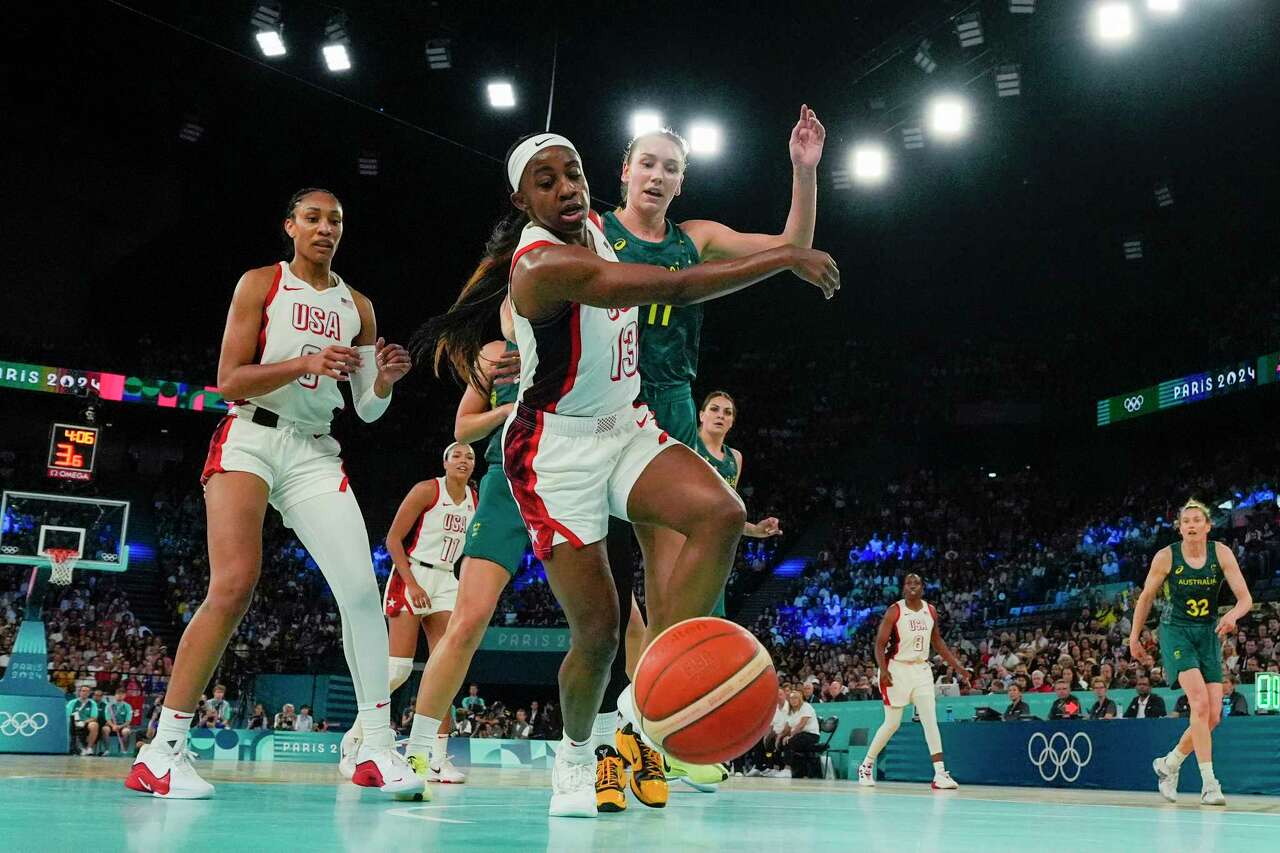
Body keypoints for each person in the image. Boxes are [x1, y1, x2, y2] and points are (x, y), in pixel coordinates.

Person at [418, 132, 837, 818]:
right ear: (524, 201)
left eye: (571, 173)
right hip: (556, 452)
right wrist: (785, 257)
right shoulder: (547, 258)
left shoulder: (621, 228)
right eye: (546, 182)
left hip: (631, 419)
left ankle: (647, 716)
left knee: (722, 514)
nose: (565, 188)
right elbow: (667, 287)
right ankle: (576, 755)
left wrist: (800, 181)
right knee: (602, 630)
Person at [125, 188, 418, 800]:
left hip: (314, 450)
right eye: (312, 218)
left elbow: (364, 410)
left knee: (363, 593)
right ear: (290, 225)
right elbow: (229, 378)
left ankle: (377, 745)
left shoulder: (358, 306)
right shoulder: (261, 283)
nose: (324, 228)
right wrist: (303, 362)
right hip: (250, 437)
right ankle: (161, 751)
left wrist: (383, 382)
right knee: (234, 585)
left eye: (335, 220)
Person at [601, 113, 820, 805]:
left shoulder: (695, 240)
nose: (658, 175)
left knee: (672, 597)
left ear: (682, 181)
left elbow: (791, 245)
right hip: (594, 408)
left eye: (671, 167)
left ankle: (653, 735)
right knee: (611, 605)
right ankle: (623, 737)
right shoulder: (594, 233)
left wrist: (804, 170)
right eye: (648, 163)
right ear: (625, 171)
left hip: (665, 410)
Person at [343, 442, 478, 789]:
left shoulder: (475, 500)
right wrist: (412, 582)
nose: (464, 461)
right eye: (458, 455)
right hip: (413, 574)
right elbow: (392, 539)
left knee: (445, 666)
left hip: (447, 579)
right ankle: (356, 740)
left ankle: (436, 757)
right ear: (445, 462)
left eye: (470, 457)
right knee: (399, 670)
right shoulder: (427, 490)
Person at [1131, 499, 1252, 806]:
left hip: (1208, 632)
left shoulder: (1221, 553)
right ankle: (1210, 784)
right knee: (1198, 704)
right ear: (1181, 528)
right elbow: (1146, 598)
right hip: (1176, 631)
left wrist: (1232, 616)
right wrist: (1134, 637)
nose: (1192, 525)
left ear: (1208, 526)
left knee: (1212, 717)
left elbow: (1245, 600)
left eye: (1198, 520)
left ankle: (1169, 764)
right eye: (1187, 521)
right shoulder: (1166, 557)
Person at [857, 574, 969, 789]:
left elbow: (937, 641)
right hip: (896, 669)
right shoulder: (895, 611)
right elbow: (879, 645)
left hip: (921, 669)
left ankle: (940, 774)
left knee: (930, 720)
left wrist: (957, 666)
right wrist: (883, 670)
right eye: (909, 583)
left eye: (916, 583)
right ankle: (866, 765)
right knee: (892, 723)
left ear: (923, 587)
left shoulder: (931, 611)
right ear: (903, 588)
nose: (912, 587)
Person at [776, 689, 820, 778]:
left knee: (790, 741)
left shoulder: (806, 706)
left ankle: (787, 770)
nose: (793, 700)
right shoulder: (791, 711)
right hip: (799, 735)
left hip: (811, 735)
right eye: (791, 698)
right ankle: (778, 768)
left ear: (800, 699)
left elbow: (801, 725)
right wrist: (780, 736)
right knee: (781, 741)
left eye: (795, 698)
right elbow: (787, 727)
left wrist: (790, 736)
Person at [67, 684, 100, 756]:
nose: (85, 693)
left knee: (94, 725)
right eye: (83, 691)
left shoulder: (92, 703)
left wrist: (84, 722)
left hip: (86, 722)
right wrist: (76, 721)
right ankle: (77, 747)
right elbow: (68, 714)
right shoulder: (72, 702)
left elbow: (94, 717)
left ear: (89, 693)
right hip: (74, 722)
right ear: (79, 692)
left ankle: (89, 748)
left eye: (87, 691)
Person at [104, 687, 135, 752]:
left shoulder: (128, 706)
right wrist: (113, 726)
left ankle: (124, 750)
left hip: (123, 725)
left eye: (122, 694)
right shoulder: (109, 705)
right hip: (111, 725)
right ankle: (106, 749)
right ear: (115, 695)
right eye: (118, 694)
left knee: (126, 732)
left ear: (124, 696)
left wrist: (119, 726)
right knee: (105, 729)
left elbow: (128, 721)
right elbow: (108, 719)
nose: (120, 696)